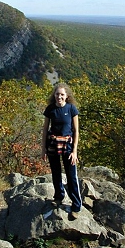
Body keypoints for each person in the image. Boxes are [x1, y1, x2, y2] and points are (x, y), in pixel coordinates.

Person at [41, 83, 82, 219]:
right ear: (54, 95)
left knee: (71, 175)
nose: (59, 96)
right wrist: (43, 149)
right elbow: (45, 130)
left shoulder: (71, 109)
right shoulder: (50, 109)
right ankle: (59, 197)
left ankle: (76, 206)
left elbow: (76, 131)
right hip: (53, 144)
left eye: (62, 94)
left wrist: (74, 151)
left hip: (68, 146)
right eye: (57, 94)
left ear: (67, 96)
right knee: (56, 173)